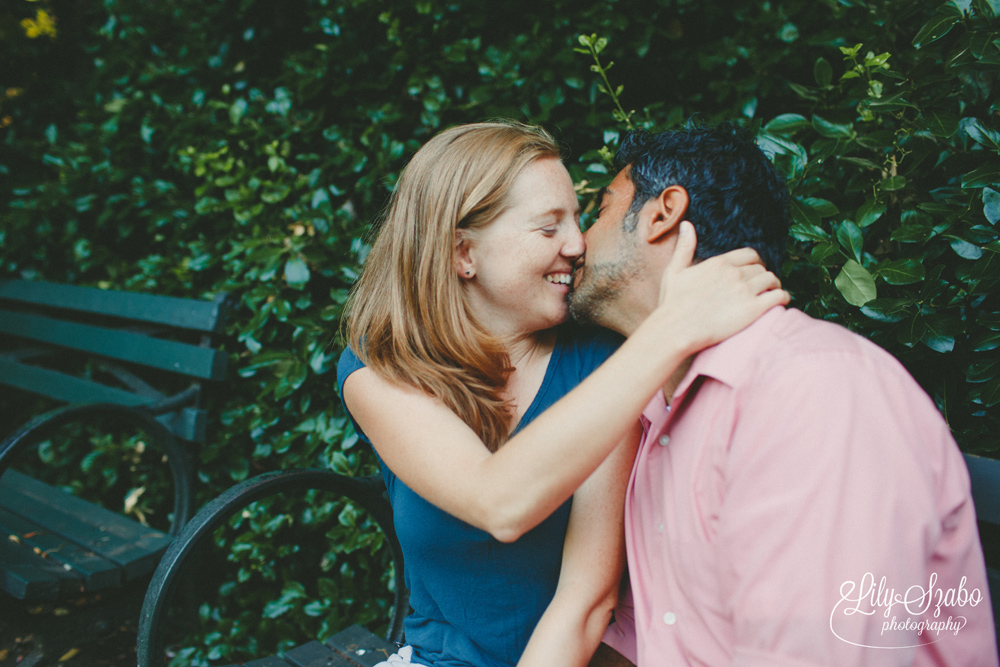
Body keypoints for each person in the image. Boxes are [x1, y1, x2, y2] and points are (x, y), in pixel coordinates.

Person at [336, 121, 788, 667]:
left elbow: (586, 602)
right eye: (549, 228)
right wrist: (673, 327)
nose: (577, 245)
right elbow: (499, 502)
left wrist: (657, 337)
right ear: (463, 254)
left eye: (578, 219)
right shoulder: (382, 364)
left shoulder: (603, 362)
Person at [569, 122, 998, 666]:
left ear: (662, 214)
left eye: (600, 210)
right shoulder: (656, 408)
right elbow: (653, 635)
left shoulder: (816, 390)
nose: (577, 239)